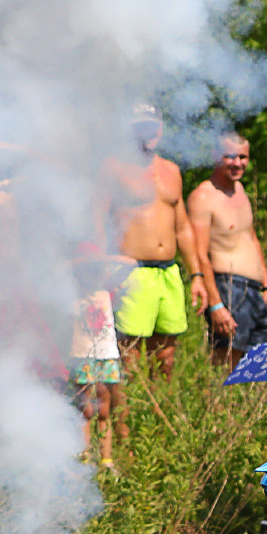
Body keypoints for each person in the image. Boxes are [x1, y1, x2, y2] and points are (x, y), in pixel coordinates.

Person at [106, 104, 211, 376]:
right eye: (142, 127)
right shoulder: (114, 169)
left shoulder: (171, 170)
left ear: (161, 129)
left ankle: (159, 404)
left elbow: (182, 228)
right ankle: (127, 407)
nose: (149, 133)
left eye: (153, 126)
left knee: (166, 356)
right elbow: (96, 219)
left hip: (168, 273)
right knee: (129, 356)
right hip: (132, 273)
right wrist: (105, 264)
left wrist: (196, 275)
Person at [186, 132, 267, 372]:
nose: (238, 163)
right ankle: (217, 398)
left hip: (255, 290)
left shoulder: (240, 190)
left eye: (243, 157)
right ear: (216, 156)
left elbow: (252, 239)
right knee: (228, 363)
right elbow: (199, 254)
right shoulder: (203, 196)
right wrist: (216, 305)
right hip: (228, 287)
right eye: (230, 157)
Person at [68, 246, 125, 466]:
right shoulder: (73, 294)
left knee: (104, 410)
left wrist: (101, 258)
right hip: (82, 357)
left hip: (106, 357)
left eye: (95, 269)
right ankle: (84, 457)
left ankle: (106, 460)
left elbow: (130, 263)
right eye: (87, 269)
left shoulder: (108, 293)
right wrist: (82, 261)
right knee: (86, 410)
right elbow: (59, 269)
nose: (91, 274)